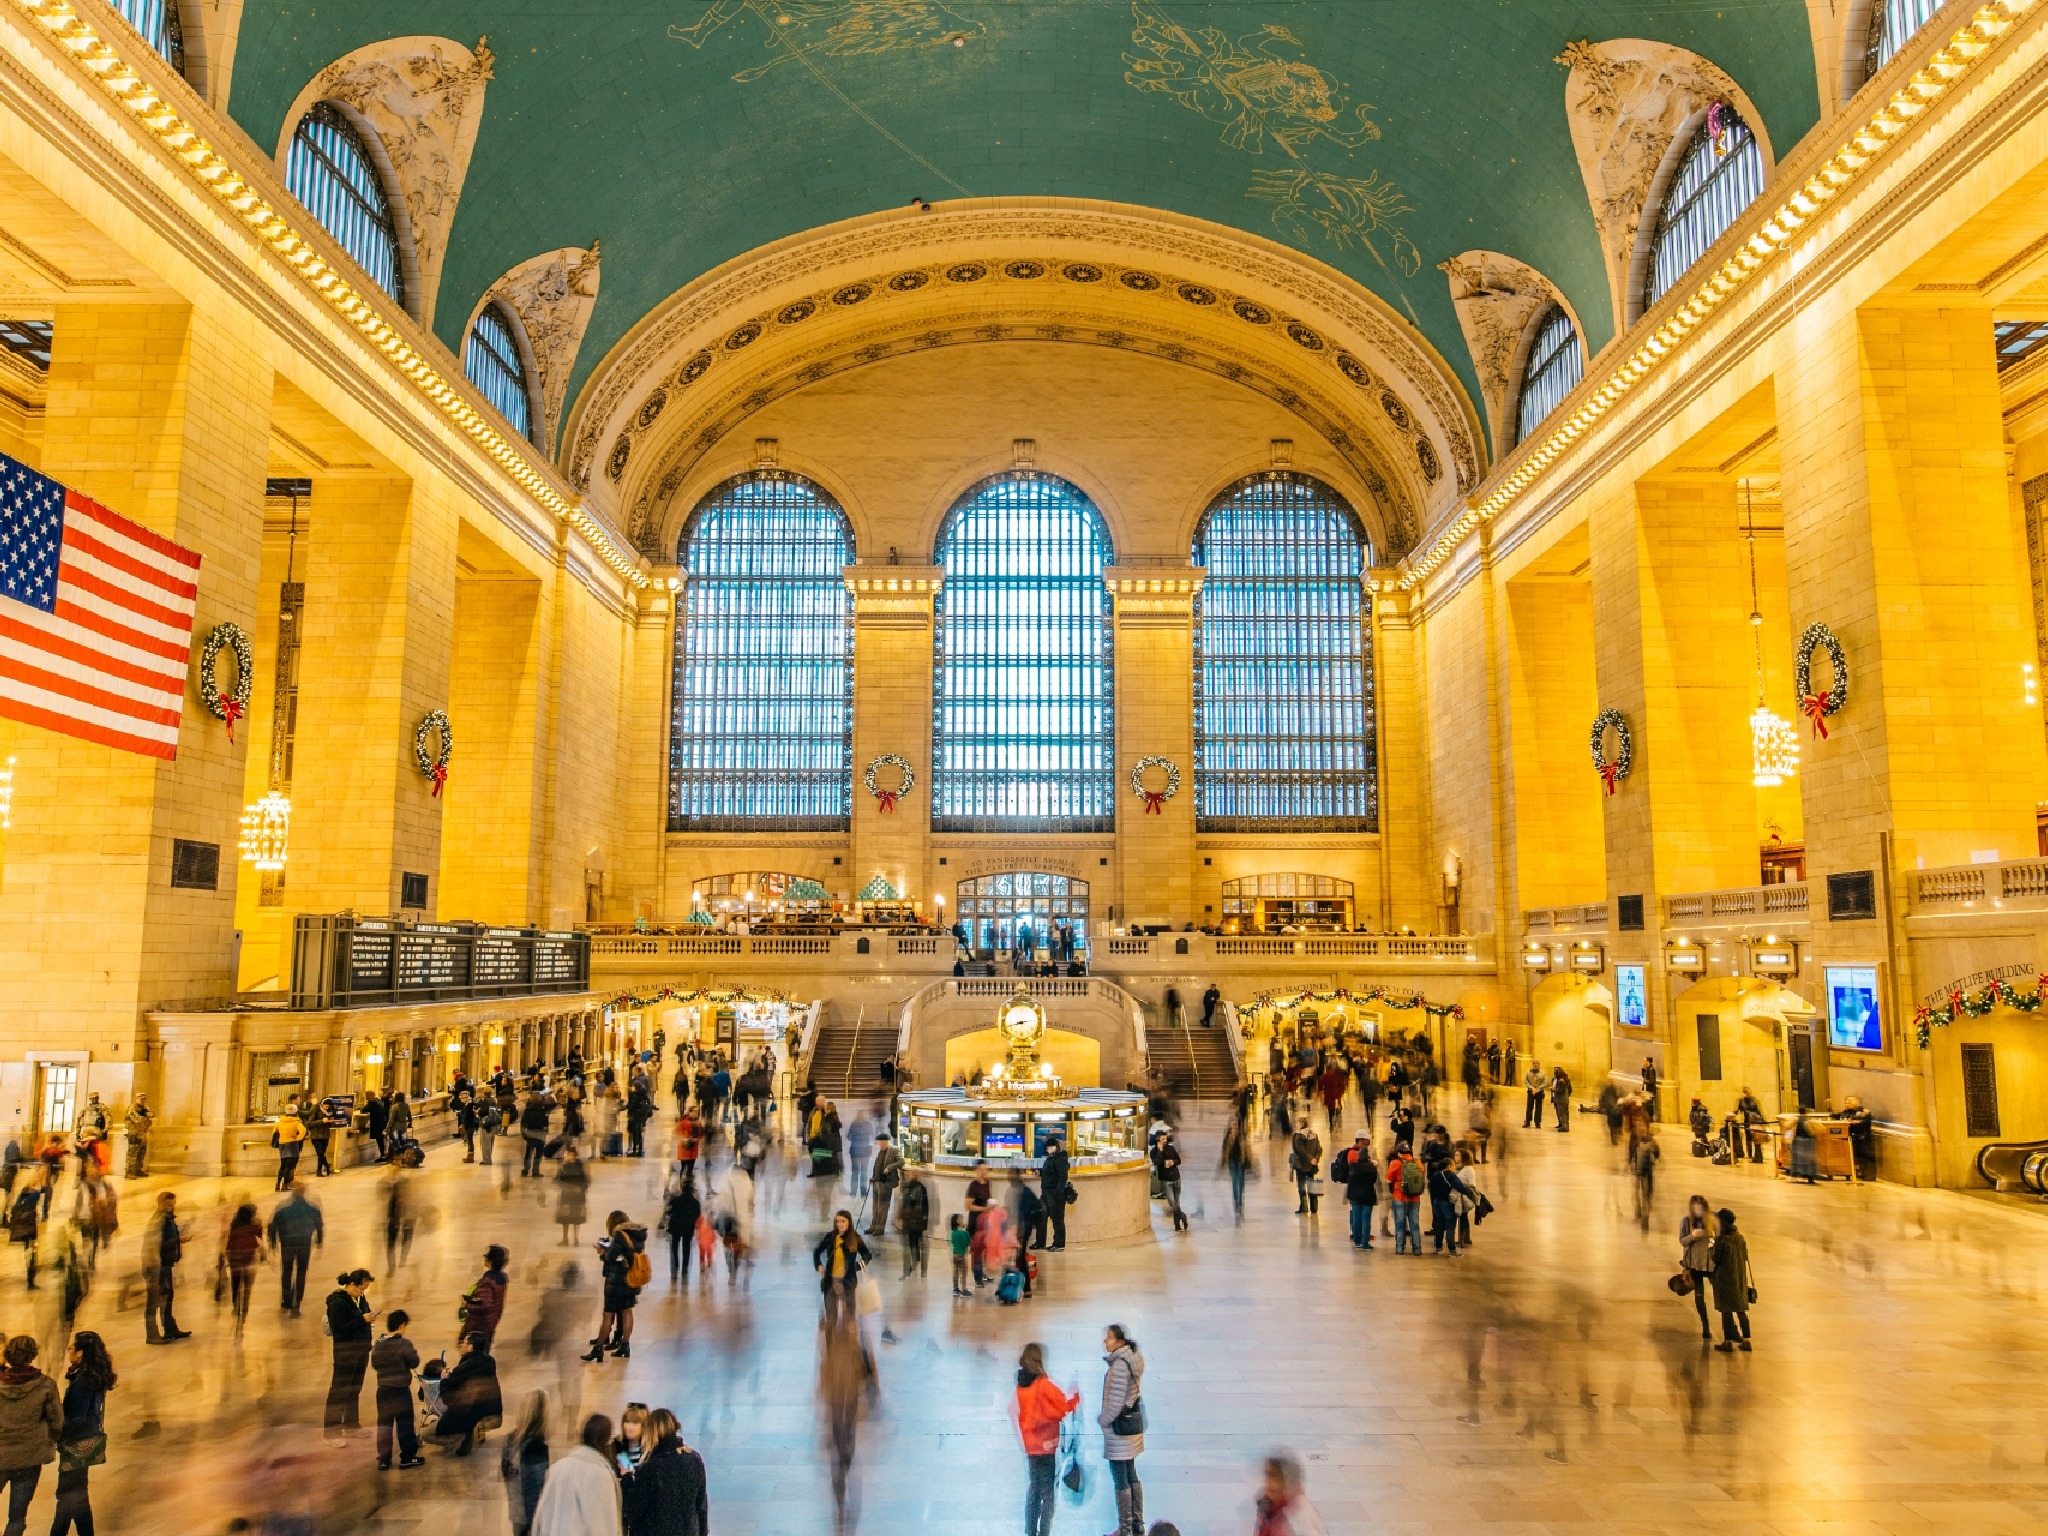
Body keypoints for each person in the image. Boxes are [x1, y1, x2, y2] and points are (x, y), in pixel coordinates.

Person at [48, 1331, 110, 1536]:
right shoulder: (90, 1375)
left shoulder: (83, 1382)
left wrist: (57, 1429)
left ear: (82, 1353)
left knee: (68, 1492)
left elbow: (77, 1417)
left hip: (76, 1441)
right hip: (85, 1440)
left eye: (72, 1348)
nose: (69, 1351)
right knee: (77, 1492)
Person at [1015, 1343, 1080, 1536]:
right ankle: (1044, 1531)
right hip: (1046, 1445)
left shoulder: (1021, 1383)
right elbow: (1061, 1406)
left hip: (1030, 1446)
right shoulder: (1043, 1384)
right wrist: (1075, 1399)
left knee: (1034, 1488)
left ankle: (1029, 1529)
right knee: (1048, 1492)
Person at [0, 1335, 61, 1536]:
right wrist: (52, 1440)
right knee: (17, 1517)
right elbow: (56, 1421)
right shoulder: (45, 1385)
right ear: (32, 1355)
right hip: (29, 1457)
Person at [621, 1406, 708, 1536]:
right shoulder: (694, 1459)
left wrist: (626, 1479)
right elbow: (701, 1505)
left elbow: (634, 1510)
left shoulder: (650, 1468)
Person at [1097, 1323, 1146, 1536]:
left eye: (1108, 1338)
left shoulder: (1119, 1366)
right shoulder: (1132, 1359)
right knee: (1131, 1474)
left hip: (1120, 1433)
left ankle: (1125, 1529)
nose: (1104, 1342)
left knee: (1120, 1479)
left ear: (1119, 1342)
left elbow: (1115, 1404)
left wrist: (1103, 1420)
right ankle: (1138, 1524)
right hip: (1132, 1428)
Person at [585, 1210, 648, 1360]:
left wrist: (603, 1252)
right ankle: (625, 1345)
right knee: (627, 1311)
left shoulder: (620, 1235)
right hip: (632, 1278)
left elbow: (613, 1256)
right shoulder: (637, 1234)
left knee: (608, 1314)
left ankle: (598, 1349)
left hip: (618, 1279)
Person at [324, 1269, 376, 1437]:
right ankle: (332, 1432)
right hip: (346, 1352)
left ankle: (352, 1425)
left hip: (360, 1351)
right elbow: (339, 1330)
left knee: (354, 1389)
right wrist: (362, 1320)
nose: (362, 1292)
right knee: (339, 1391)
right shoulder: (338, 1302)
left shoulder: (359, 1299)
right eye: (361, 1288)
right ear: (352, 1284)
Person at [371, 1309, 425, 1470]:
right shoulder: (404, 1344)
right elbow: (414, 1362)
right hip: (400, 1390)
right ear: (401, 1325)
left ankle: (384, 1459)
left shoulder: (378, 1345)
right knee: (405, 1424)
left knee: (384, 1424)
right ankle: (407, 1457)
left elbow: (374, 1365)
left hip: (383, 1390)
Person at [436, 1331, 504, 1455]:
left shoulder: (463, 1367)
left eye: (465, 1343)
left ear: (470, 1347)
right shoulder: (490, 1361)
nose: (461, 1345)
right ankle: (471, 1434)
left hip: (471, 1412)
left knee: (428, 1434)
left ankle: (459, 1440)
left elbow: (447, 1397)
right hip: (493, 1410)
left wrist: (444, 1379)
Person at [269, 1181, 323, 1316]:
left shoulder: (283, 1208)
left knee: (286, 1271)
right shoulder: (312, 1208)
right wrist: (319, 1240)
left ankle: (286, 1299)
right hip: (304, 1244)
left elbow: (273, 1226)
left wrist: (273, 1243)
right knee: (301, 1272)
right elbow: (319, 1226)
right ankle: (296, 1302)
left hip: (287, 1244)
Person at [500, 1390, 550, 1536]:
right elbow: (540, 1484)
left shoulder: (511, 1438)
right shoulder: (537, 1446)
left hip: (516, 1510)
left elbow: (506, 1471)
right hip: (532, 1516)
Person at [141, 1192, 186, 1344]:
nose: (172, 1207)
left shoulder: (168, 1219)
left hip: (165, 1264)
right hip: (156, 1266)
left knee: (167, 1297)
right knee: (153, 1301)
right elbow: (157, 1245)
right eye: (168, 1204)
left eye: (173, 1204)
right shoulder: (158, 1220)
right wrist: (179, 1240)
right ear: (161, 1203)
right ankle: (152, 1334)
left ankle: (170, 1328)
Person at [813, 1210, 869, 1330]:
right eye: (837, 1221)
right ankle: (830, 1344)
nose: (840, 1224)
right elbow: (817, 1251)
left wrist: (858, 1265)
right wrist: (818, 1265)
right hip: (831, 1280)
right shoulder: (831, 1237)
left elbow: (867, 1254)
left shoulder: (855, 1238)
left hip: (848, 1281)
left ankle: (849, 1344)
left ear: (848, 1222)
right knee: (831, 1317)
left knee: (849, 1317)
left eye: (843, 1221)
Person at [1709, 1208, 1755, 1352]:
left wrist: (1712, 1248)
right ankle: (1746, 1341)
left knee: (1726, 1311)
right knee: (1741, 1310)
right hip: (1739, 1278)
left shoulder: (1721, 1239)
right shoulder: (1740, 1238)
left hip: (1725, 1278)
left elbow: (1716, 1258)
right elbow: (1745, 1256)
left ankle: (1727, 1342)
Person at [1252, 1452, 1328, 1536]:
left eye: (1275, 1476)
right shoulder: (1270, 1505)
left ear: (1289, 1482)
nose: (1268, 1482)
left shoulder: (1298, 1522)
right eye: (1267, 1474)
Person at [221, 1202, 264, 1335]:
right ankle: (244, 1308)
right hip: (248, 1260)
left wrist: (227, 1258)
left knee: (235, 1286)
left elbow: (229, 1244)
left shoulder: (235, 1226)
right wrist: (259, 1224)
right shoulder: (252, 1226)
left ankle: (236, 1306)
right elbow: (260, 1235)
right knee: (246, 1287)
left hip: (235, 1261)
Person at [1678, 1194, 1715, 1340]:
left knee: (1719, 1293)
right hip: (1694, 1265)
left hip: (1710, 1263)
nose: (1699, 1210)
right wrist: (1693, 1236)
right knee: (1699, 1296)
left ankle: (1730, 1328)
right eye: (1696, 1207)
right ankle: (1705, 1324)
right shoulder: (1687, 1221)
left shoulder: (1711, 1221)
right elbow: (1682, 1241)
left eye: (1701, 1207)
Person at [461, 1245, 510, 1349]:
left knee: (473, 1358)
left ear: (490, 1261)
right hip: (490, 1325)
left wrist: (467, 1305)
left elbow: (485, 1306)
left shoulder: (488, 1282)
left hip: (478, 1327)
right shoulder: (502, 1279)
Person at [659, 1168, 702, 1285]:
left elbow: (667, 1212)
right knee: (686, 1248)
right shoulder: (695, 1203)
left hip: (675, 1228)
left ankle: (674, 1269)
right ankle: (684, 1269)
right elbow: (698, 1216)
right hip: (688, 1229)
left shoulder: (675, 1200)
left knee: (674, 1249)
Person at [1339, 1132, 1377, 1250]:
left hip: (1355, 1195)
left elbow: (1350, 1179)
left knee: (1356, 1218)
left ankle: (1357, 1241)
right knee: (1366, 1220)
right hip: (1368, 1195)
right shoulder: (1371, 1168)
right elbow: (1374, 1180)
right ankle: (1365, 1243)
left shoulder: (1353, 1167)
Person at [865, 1132, 902, 1236]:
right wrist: (873, 1178)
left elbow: (901, 1161)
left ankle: (880, 1229)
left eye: (879, 1141)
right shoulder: (879, 1151)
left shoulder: (894, 1150)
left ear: (885, 1141)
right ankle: (873, 1226)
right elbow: (877, 1165)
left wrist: (889, 1168)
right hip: (877, 1182)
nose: (878, 1143)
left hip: (886, 1183)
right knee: (875, 1207)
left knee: (883, 1207)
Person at [1150, 1129, 1186, 1232]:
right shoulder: (1154, 1151)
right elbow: (1156, 1163)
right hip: (1166, 1181)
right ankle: (1183, 1216)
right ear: (1157, 1139)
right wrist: (1160, 1151)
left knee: (1177, 1203)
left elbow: (1179, 1160)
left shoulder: (1171, 1148)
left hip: (1176, 1178)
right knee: (1172, 1203)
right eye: (1162, 1139)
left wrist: (1173, 1162)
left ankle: (1177, 1225)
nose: (1164, 1141)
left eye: (1165, 1139)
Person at [556, 1144, 591, 1247]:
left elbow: (586, 1181)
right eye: (567, 1155)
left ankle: (576, 1239)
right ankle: (565, 1238)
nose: (568, 1157)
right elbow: (558, 1180)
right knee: (565, 1218)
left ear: (575, 1155)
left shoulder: (580, 1166)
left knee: (576, 1218)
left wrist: (580, 1189)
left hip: (577, 1197)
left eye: (570, 1155)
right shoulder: (563, 1166)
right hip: (567, 1196)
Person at [899, 1166, 930, 1278]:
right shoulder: (913, 1187)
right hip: (914, 1221)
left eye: (909, 1174)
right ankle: (916, 1263)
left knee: (914, 1243)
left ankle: (916, 1264)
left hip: (914, 1221)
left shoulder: (915, 1188)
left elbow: (916, 1205)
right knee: (914, 1243)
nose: (906, 1176)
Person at [1039, 1138, 1070, 1251]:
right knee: (1043, 1216)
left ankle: (1059, 1244)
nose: (1047, 1150)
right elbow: (1050, 1172)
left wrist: (1058, 1192)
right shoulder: (1052, 1157)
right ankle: (1043, 1242)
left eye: (1049, 1147)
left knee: (1057, 1219)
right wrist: (1041, 1172)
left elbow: (1063, 1176)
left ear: (1054, 1147)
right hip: (1048, 1192)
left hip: (1054, 1194)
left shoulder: (1060, 1158)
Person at [1839, 1095, 1877, 1180]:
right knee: (1858, 1158)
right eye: (1846, 1102)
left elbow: (1861, 1122)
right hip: (1853, 1137)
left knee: (1866, 1157)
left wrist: (1852, 1122)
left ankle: (1869, 1175)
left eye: (1850, 1102)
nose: (1847, 1104)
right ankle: (1861, 1172)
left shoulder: (1864, 1112)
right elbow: (1843, 1121)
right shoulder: (1845, 1112)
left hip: (1864, 1137)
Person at [1289, 1123, 1323, 1216]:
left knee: (1302, 1186)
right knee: (1312, 1185)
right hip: (1312, 1166)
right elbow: (1319, 1149)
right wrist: (1315, 1159)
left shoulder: (1298, 1135)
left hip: (1301, 1165)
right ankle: (1314, 1207)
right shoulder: (1314, 1134)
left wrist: (1309, 1158)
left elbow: (1299, 1149)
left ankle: (1304, 1207)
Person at [120, 1097, 151, 1179]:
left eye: (144, 1099)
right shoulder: (132, 1108)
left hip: (142, 1132)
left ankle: (138, 1170)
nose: (143, 1101)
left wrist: (146, 1114)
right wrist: (144, 1116)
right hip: (134, 1133)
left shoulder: (144, 1108)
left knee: (141, 1151)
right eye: (141, 1099)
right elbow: (137, 1119)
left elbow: (152, 1114)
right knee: (132, 1153)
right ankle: (129, 1172)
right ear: (136, 1099)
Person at [948, 1213, 970, 1298]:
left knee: (955, 1272)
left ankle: (955, 1289)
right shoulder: (964, 1233)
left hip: (954, 1254)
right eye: (961, 1219)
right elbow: (967, 1243)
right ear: (958, 1222)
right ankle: (964, 1289)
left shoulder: (953, 1233)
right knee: (963, 1273)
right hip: (962, 1255)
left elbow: (953, 1243)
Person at [364, 1090, 390, 1162]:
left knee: (379, 1140)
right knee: (382, 1140)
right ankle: (384, 1155)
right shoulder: (378, 1101)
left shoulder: (372, 1102)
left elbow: (364, 1109)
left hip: (377, 1124)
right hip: (382, 1123)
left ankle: (382, 1155)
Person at [1549, 1066, 1572, 1132]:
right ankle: (1565, 1126)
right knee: (1565, 1113)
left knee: (1562, 1113)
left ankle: (1564, 1127)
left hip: (1560, 1099)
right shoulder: (1566, 1080)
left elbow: (1559, 1090)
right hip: (1565, 1099)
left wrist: (1552, 1089)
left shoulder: (1561, 1081)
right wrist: (1567, 1096)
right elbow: (1570, 1090)